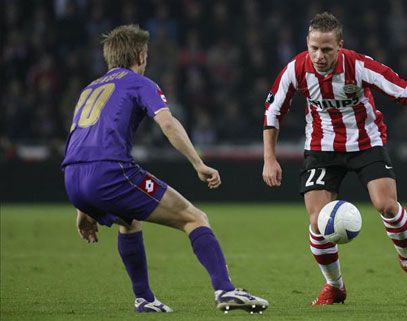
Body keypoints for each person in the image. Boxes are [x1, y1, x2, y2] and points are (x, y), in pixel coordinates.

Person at [61, 25, 268, 314]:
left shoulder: (89, 88)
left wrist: (83, 207)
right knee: (194, 218)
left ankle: (144, 298)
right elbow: (168, 123)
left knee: (129, 221)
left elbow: (81, 142)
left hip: (72, 177)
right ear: (141, 54)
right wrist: (198, 162)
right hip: (110, 173)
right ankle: (225, 290)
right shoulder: (138, 83)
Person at [262, 12, 407, 305]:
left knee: (387, 205)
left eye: (327, 49)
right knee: (318, 222)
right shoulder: (296, 69)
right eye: (314, 48)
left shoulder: (359, 66)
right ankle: (335, 286)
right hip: (322, 149)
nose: (319, 56)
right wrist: (270, 158)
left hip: (366, 142)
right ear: (307, 43)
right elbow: (272, 111)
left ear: (340, 45)